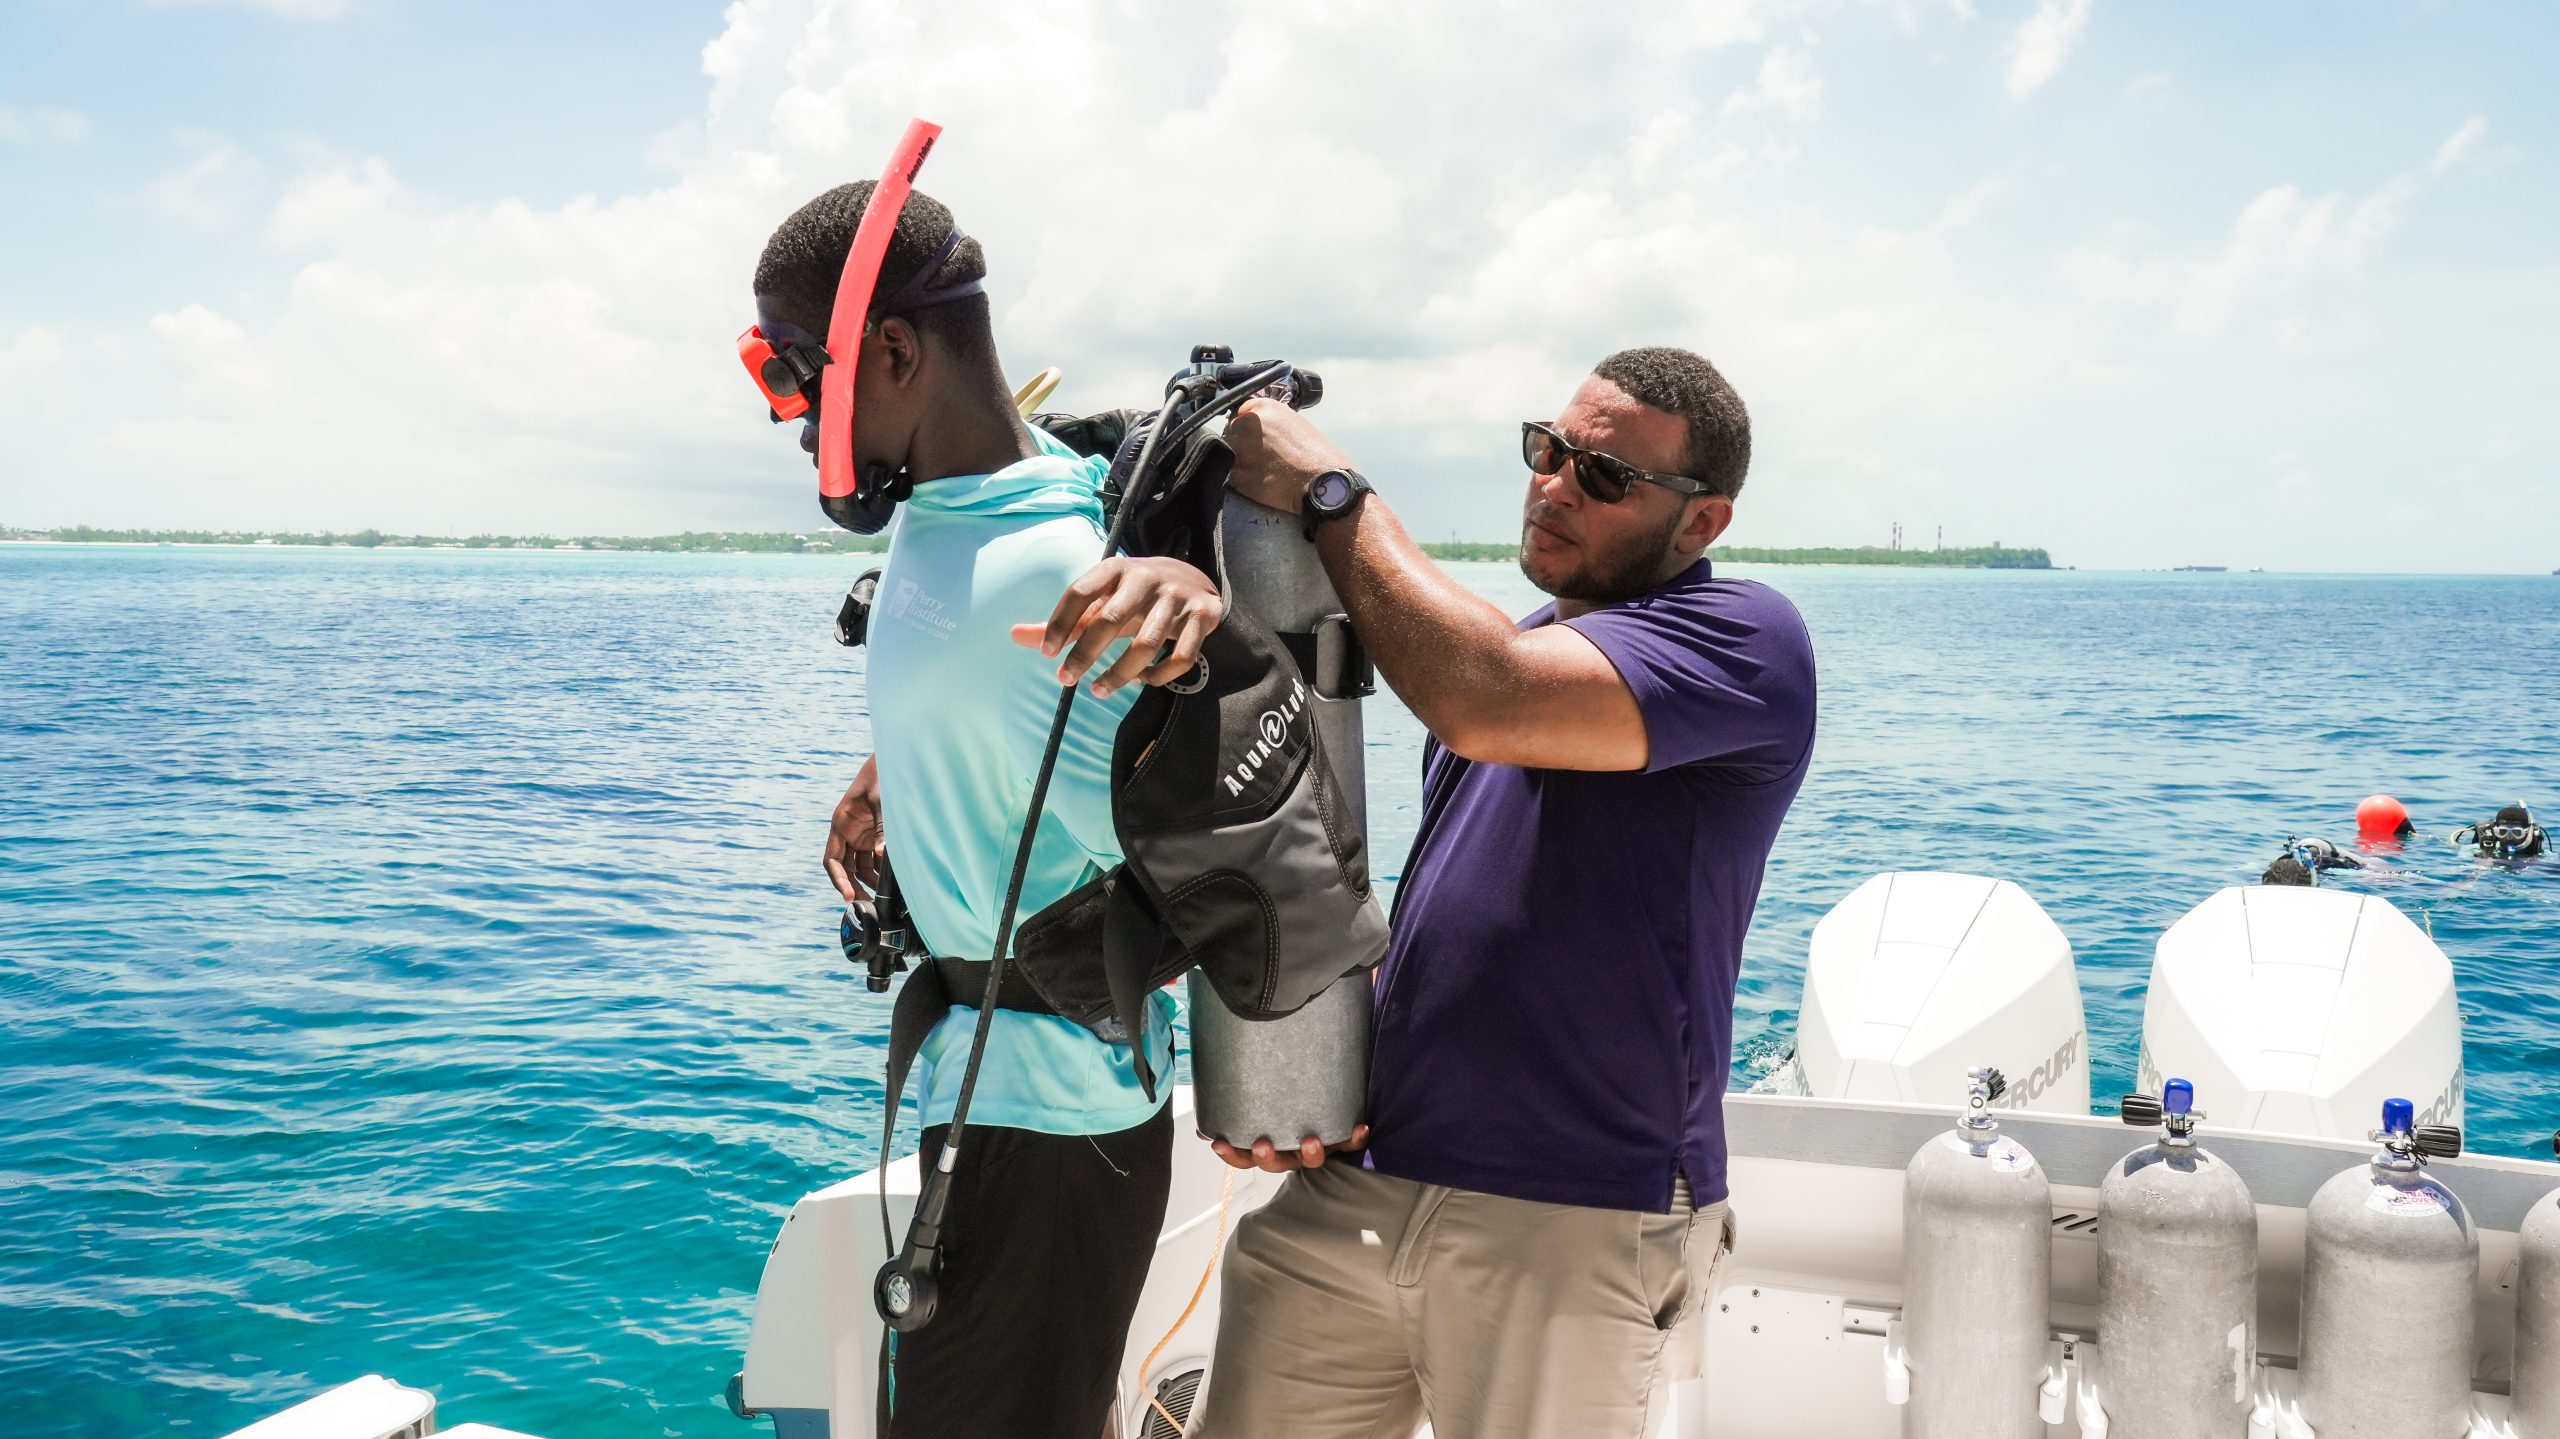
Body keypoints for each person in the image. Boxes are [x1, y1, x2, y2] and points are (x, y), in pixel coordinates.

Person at [1031, 346, 1818, 1435]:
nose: (1552, 484)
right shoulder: (1531, 645)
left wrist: (1328, 490)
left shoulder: (1746, 643)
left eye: (1602, 476)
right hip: (1365, 1178)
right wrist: (1302, 1078)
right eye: (1549, 450)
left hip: (1573, 1207)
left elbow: (1475, 696)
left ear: (1702, 523)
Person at [754, 179, 1227, 1437]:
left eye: (804, 380)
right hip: (993, 1099)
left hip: (1056, 1125)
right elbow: (993, 708)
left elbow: (1176, 846)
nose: (799, 427)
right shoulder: (963, 509)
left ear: (896, 351)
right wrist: (894, 773)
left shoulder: (1065, 589)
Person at [2458, 803, 2548, 861]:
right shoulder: (2477, 849)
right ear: (2495, 831)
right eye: (2503, 832)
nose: (2509, 838)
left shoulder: (2540, 856)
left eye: (2516, 833)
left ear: (2526, 833)